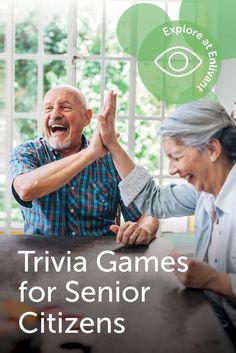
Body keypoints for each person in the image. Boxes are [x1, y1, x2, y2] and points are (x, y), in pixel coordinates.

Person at [97, 92, 236, 329]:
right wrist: (112, 144)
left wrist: (215, 280)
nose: (172, 170)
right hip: (211, 323)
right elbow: (155, 199)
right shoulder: (203, 191)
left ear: (212, 149)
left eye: (177, 157)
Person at [10, 85, 159, 244]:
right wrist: (91, 153)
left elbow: (148, 212)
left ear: (86, 118)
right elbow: (26, 189)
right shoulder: (27, 153)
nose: (54, 114)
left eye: (65, 107)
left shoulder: (113, 159)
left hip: (98, 262)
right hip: (41, 261)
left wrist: (143, 230)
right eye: (48, 109)